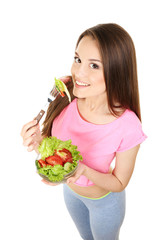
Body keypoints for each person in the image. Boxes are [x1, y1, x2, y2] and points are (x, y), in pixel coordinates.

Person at [21, 23, 147, 240]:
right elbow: (58, 152)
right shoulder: (66, 95)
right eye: (78, 59)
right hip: (71, 195)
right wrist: (39, 141)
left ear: (117, 71)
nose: (78, 72)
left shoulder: (128, 125)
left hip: (104, 205)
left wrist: (83, 170)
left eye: (94, 66)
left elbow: (119, 183)